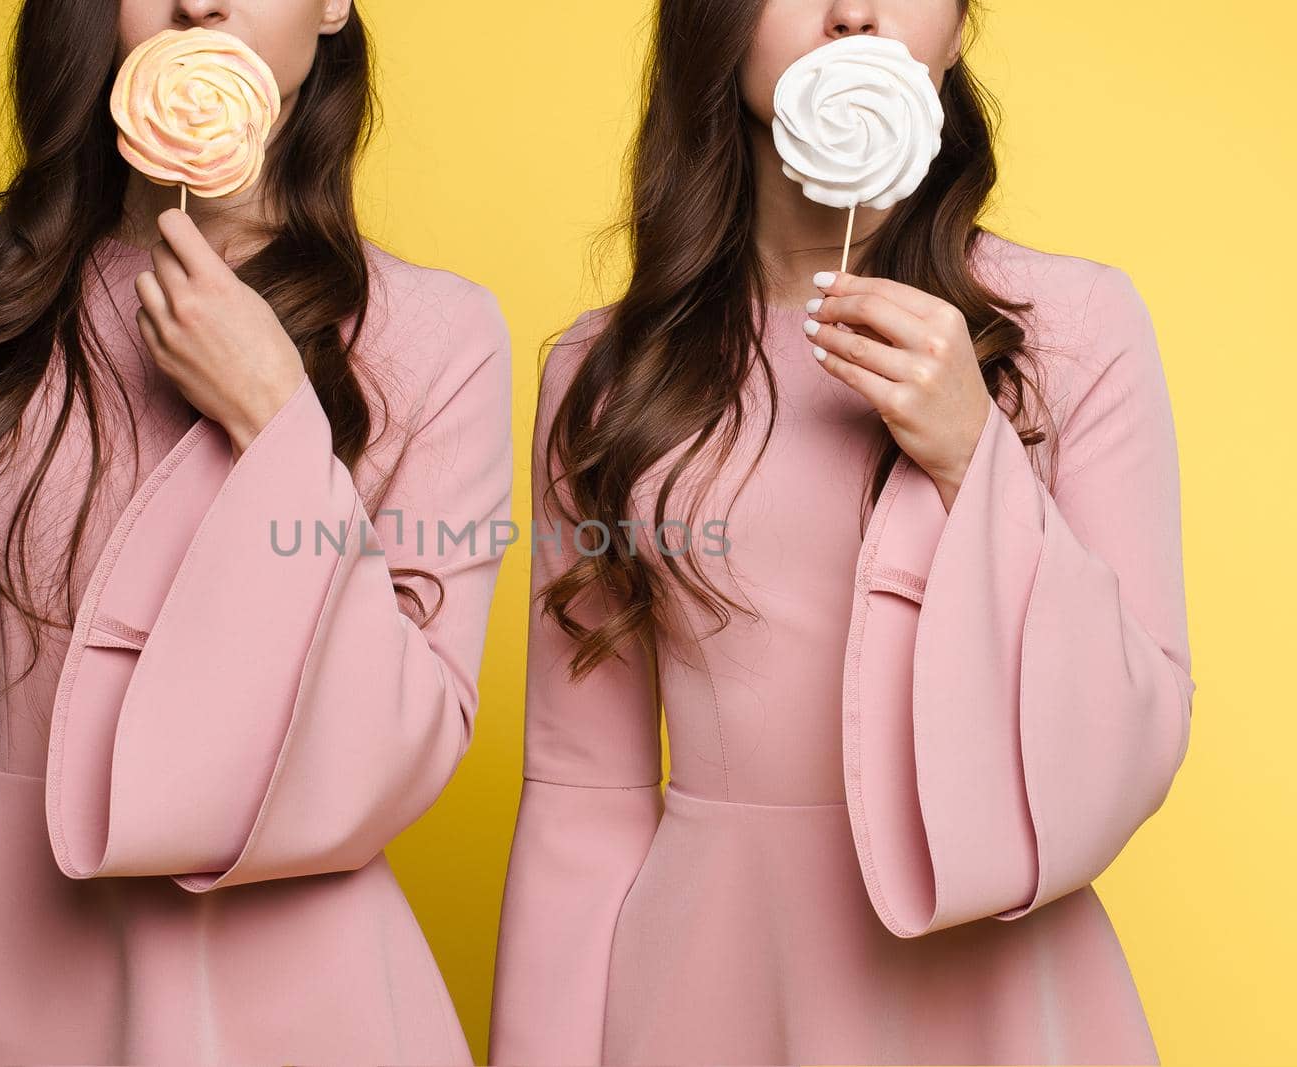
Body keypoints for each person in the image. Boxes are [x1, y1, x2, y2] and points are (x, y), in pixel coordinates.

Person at [0, 1, 512, 1063]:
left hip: (290, 997)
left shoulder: (439, 335)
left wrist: (278, 423)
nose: (202, 3)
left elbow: (408, 745)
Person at [488, 1, 1194, 1063]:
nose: (854, 11)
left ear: (957, 28)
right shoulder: (604, 378)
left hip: (995, 991)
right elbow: (582, 791)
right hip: (705, 988)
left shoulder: (1072, 327)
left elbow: (1137, 730)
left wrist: (971, 451)